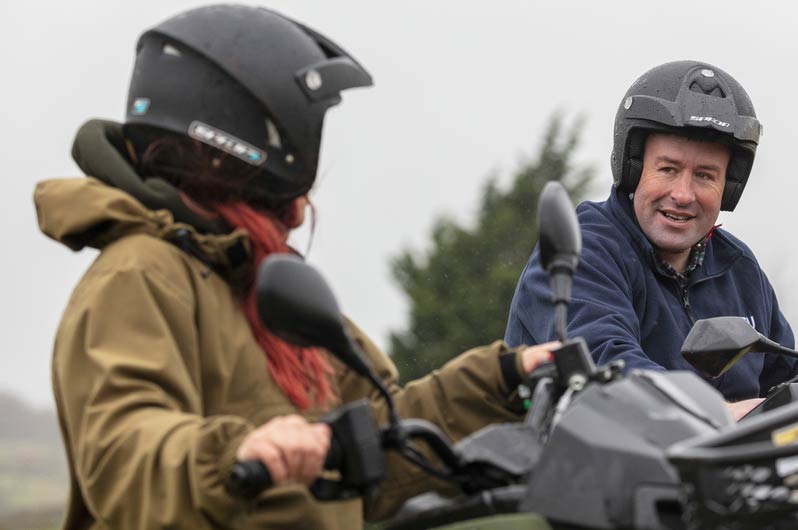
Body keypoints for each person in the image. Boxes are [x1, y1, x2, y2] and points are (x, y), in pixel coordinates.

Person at [36, 6, 555, 529]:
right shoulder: (140, 276)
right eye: (299, 138)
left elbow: (377, 440)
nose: (306, 197)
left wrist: (504, 380)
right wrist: (238, 456)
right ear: (240, 139)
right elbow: (122, 453)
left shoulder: (256, 278)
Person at [504, 60, 798, 418]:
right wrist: (730, 419)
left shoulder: (738, 269)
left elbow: (792, 383)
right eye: (667, 169)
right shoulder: (583, 251)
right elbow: (609, 377)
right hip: (583, 495)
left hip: (722, 495)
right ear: (633, 169)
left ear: (729, 187)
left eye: (705, 176)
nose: (683, 194)